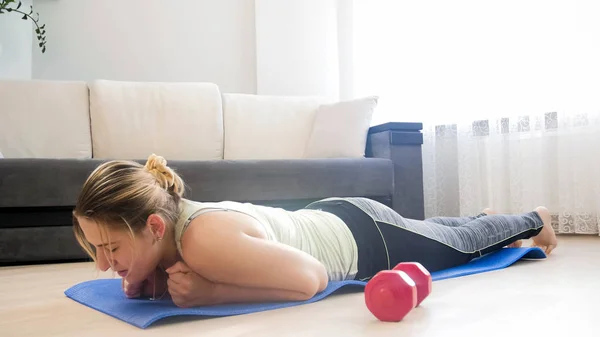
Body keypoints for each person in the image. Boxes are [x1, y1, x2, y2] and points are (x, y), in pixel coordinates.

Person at [72, 154, 558, 308]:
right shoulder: (178, 219)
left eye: (111, 247)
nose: (102, 263)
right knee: (437, 230)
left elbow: (311, 280)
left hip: (367, 240)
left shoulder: (202, 240)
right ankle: (483, 219)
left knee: (460, 246)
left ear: (155, 225)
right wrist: (149, 275)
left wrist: (211, 292)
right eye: (95, 249)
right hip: (337, 215)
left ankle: (533, 220)